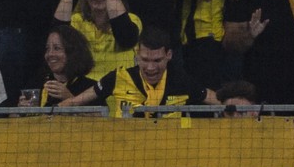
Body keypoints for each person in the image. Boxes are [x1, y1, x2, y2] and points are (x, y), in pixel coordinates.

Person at [67, 26, 208, 117]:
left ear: (169, 55)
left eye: (157, 60)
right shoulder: (118, 77)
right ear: (137, 54)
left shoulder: (182, 81)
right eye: (145, 60)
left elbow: (217, 101)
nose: (150, 68)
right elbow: (74, 102)